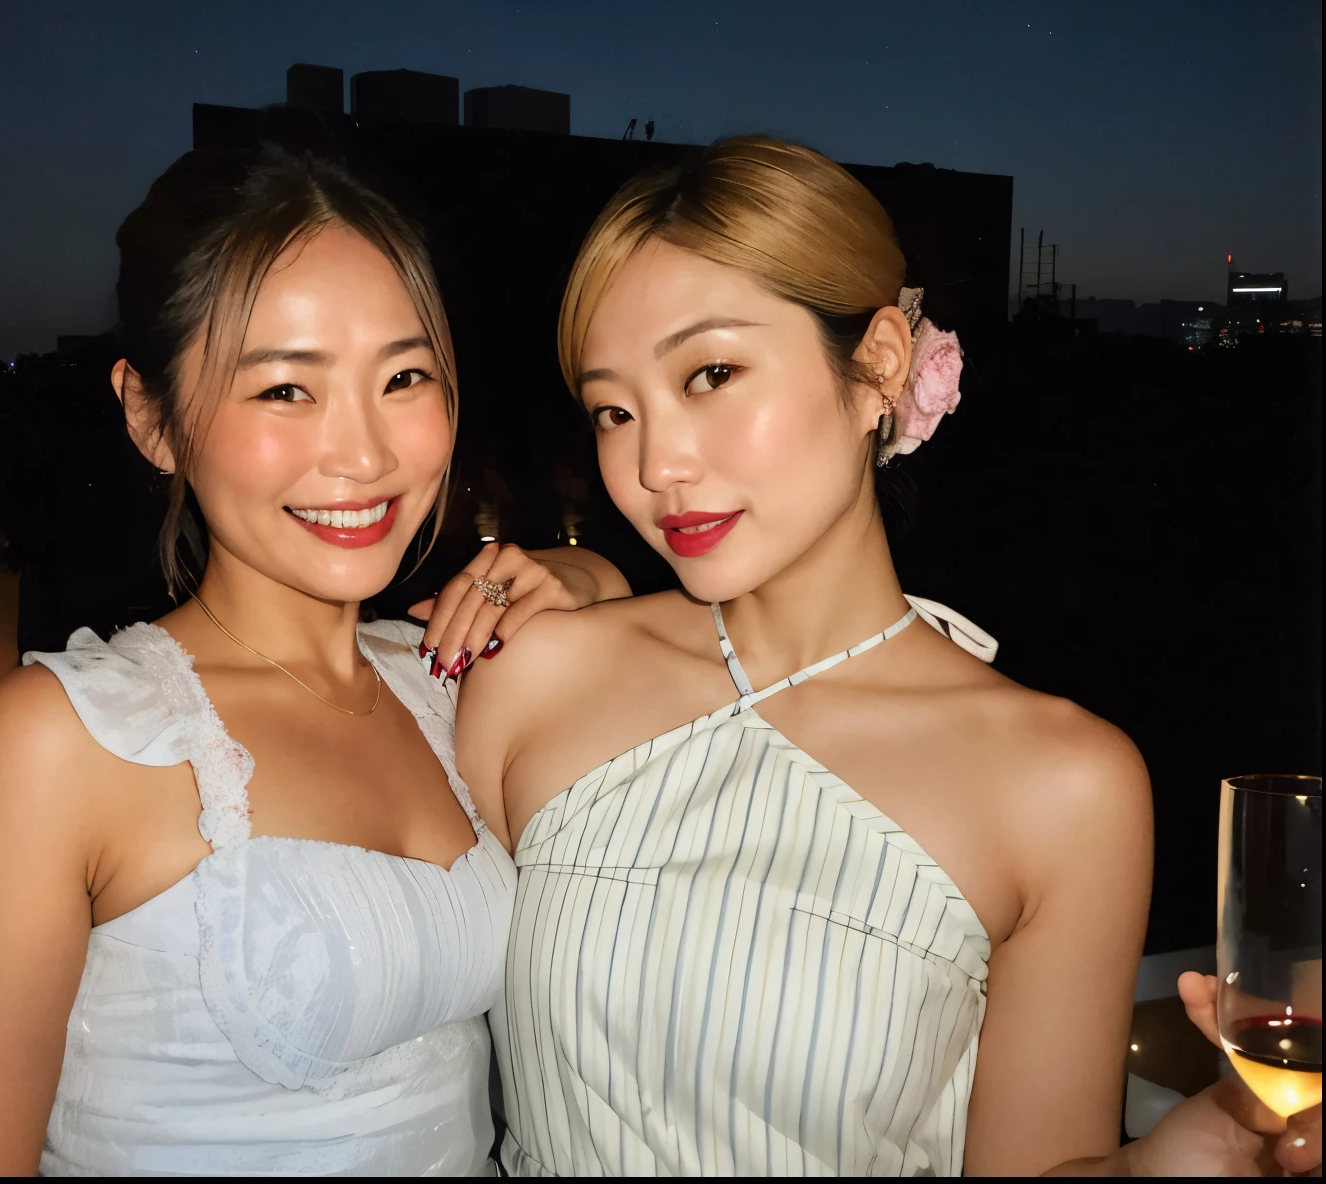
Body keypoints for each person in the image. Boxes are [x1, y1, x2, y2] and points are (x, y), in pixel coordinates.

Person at [0, 146, 628, 1175]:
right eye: (282, 390)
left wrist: (586, 578)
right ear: (150, 416)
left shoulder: (444, 680)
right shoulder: (67, 739)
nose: (363, 453)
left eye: (403, 376)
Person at [451, 135, 1322, 1176]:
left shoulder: (1061, 785)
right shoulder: (535, 678)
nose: (655, 463)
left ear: (877, 364)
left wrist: (1171, 1159)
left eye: (712, 373)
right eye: (613, 410)